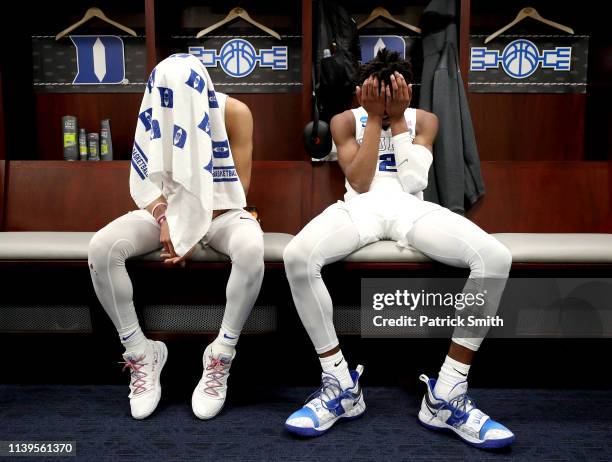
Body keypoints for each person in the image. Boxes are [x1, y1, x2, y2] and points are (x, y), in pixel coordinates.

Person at [283, 49, 514, 449]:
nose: (386, 103)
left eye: (394, 95)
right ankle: (340, 384)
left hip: (412, 210)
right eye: (378, 95)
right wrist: (373, 119)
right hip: (360, 209)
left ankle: (447, 393)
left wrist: (402, 119)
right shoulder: (344, 120)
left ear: (407, 91)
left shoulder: (425, 119)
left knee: (495, 257)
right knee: (297, 256)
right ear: (362, 92)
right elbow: (358, 181)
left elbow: (411, 181)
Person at [87, 56, 264, 420]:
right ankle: (140, 351)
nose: (171, 105)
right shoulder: (154, 109)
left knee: (251, 247)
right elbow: (148, 186)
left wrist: (187, 230)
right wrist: (168, 218)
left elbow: (238, 191)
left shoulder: (236, 113)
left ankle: (221, 354)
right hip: (165, 214)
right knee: (102, 248)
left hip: (219, 213)